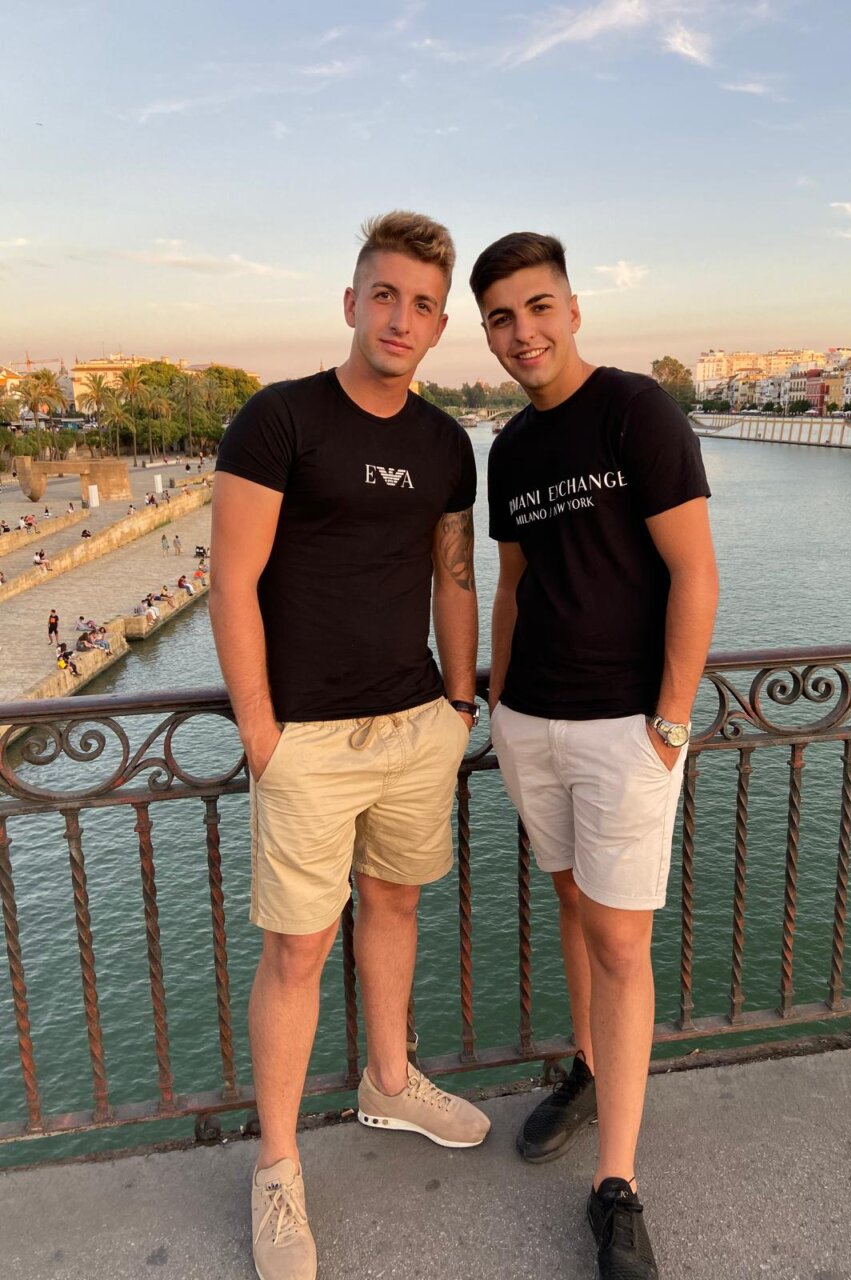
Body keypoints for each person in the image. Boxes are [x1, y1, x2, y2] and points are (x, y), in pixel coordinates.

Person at [211, 210, 485, 1280]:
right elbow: (232, 579)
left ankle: (387, 1077)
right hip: (307, 738)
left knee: (399, 903)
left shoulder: (445, 444)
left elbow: (453, 577)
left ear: (438, 321)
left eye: (422, 303)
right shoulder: (277, 421)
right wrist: (260, 730)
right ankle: (276, 1166)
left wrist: (459, 702)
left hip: (415, 722)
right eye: (385, 294)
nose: (400, 317)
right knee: (296, 949)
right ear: (350, 301)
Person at [471, 231, 719, 1280]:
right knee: (573, 907)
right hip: (532, 720)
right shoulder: (511, 450)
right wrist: (494, 695)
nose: (521, 332)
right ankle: (586, 1068)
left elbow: (695, 572)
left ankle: (616, 1186)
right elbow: (516, 583)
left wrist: (669, 717)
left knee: (622, 943)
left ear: (572, 309)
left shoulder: (636, 410)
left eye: (537, 307)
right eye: (500, 317)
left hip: (626, 727)